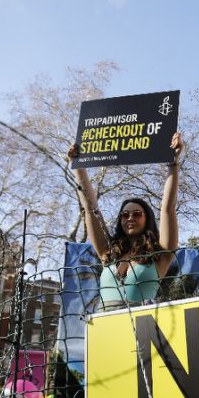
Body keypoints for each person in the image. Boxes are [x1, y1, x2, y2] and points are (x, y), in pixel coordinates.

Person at [68, 132, 183, 311]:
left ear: (147, 219)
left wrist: (173, 163)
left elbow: (168, 208)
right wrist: (78, 166)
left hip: (143, 328)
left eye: (137, 214)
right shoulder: (108, 253)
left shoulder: (161, 255)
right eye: (125, 215)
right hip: (104, 326)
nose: (130, 218)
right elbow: (90, 210)